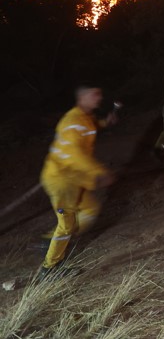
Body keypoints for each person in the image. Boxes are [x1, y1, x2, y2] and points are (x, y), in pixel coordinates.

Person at [38, 86, 119, 276]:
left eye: (100, 93)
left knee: (90, 209)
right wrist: (101, 172)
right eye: (94, 94)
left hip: (73, 179)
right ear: (82, 97)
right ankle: (49, 268)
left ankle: (51, 242)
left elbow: (93, 125)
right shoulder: (72, 121)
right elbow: (76, 154)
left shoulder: (85, 117)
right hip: (61, 180)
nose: (99, 97)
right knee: (66, 224)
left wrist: (105, 122)